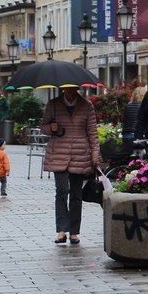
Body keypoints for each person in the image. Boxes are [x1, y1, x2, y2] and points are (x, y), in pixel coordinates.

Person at [41, 87, 99, 245]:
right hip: (59, 153)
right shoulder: (53, 104)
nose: (70, 91)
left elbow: (92, 131)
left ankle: (74, 232)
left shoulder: (86, 105)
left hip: (79, 154)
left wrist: (95, 154)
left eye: (73, 88)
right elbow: (43, 127)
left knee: (76, 195)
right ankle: (61, 230)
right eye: (67, 88)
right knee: (61, 191)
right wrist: (51, 128)